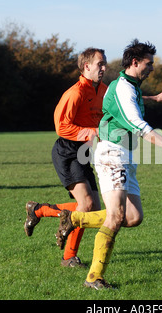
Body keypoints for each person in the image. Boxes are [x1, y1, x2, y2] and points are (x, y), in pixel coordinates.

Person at [55, 39, 162, 289]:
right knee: (115, 216)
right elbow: (137, 123)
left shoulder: (131, 87)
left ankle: (74, 219)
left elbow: (125, 107)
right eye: (149, 64)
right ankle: (94, 277)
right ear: (135, 62)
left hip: (126, 156)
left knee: (133, 216)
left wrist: (153, 96)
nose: (152, 68)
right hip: (112, 155)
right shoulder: (123, 88)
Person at [24, 48, 108, 268]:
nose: (104, 68)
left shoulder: (103, 90)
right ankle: (69, 257)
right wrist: (93, 132)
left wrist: (153, 97)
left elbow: (122, 98)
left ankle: (39, 210)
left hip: (83, 153)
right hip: (68, 151)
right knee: (86, 204)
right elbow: (61, 127)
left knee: (94, 209)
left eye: (104, 64)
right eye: (100, 64)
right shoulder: (75, 92)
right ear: (86, 66)